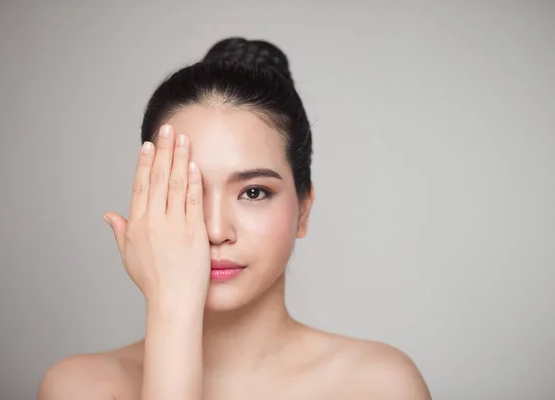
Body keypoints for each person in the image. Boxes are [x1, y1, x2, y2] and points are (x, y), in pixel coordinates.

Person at [38, 37, 432, 399]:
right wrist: (173, 310)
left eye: (253, 192)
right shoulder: (80, 386)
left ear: (303, 210)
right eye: (188, 191)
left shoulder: (378, 384)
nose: (214, 230)